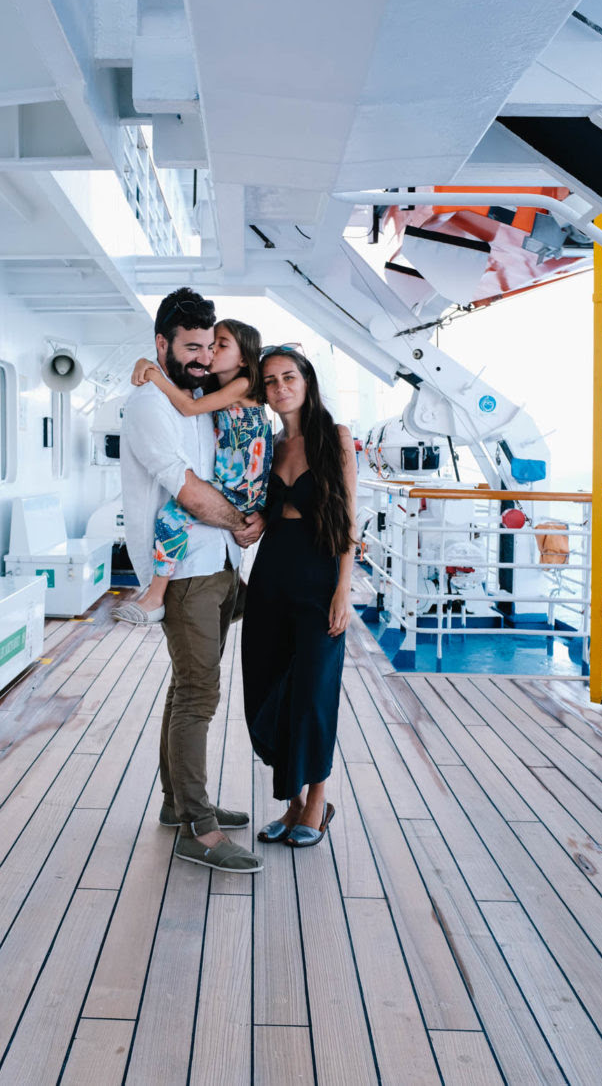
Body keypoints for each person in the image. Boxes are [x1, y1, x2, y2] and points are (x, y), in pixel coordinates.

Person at [118, 288, 264, 873]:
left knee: (187, 687)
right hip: (186, 571)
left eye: (210, 346)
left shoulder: (195, 398)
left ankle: (179, 804)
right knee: (200, 694)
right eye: (191, 347)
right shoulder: (149, 405)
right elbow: (188, 492)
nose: (202, 357)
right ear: (162, 345)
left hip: (219, 564)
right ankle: (198, 830)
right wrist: (242, 523)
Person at [242, 346, 357, 848]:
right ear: (263, 392)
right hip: (271, 573)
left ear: (306, 381)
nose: (280, 386)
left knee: (313, 691)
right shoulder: (267, 444)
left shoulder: (336, 439)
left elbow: (349, 518)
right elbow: (265, 506)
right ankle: (290, 806)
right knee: (266, 684)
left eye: (289, 376)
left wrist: (343, 589)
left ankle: (316, 803)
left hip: (319, 572)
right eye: (270, 380)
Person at [117, 319, 272, 623]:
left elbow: (187, 408)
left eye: (221, 345)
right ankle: (232, 593)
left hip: (243, 486)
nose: (211, 352)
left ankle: (155, 597)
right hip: (232, 481)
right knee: (180, 518)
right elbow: (186, 398)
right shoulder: (216, 389)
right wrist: (146, 363)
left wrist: (154, 377)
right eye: (210, 345)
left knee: (170, 518)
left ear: (243, 359)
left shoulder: (243, 384)